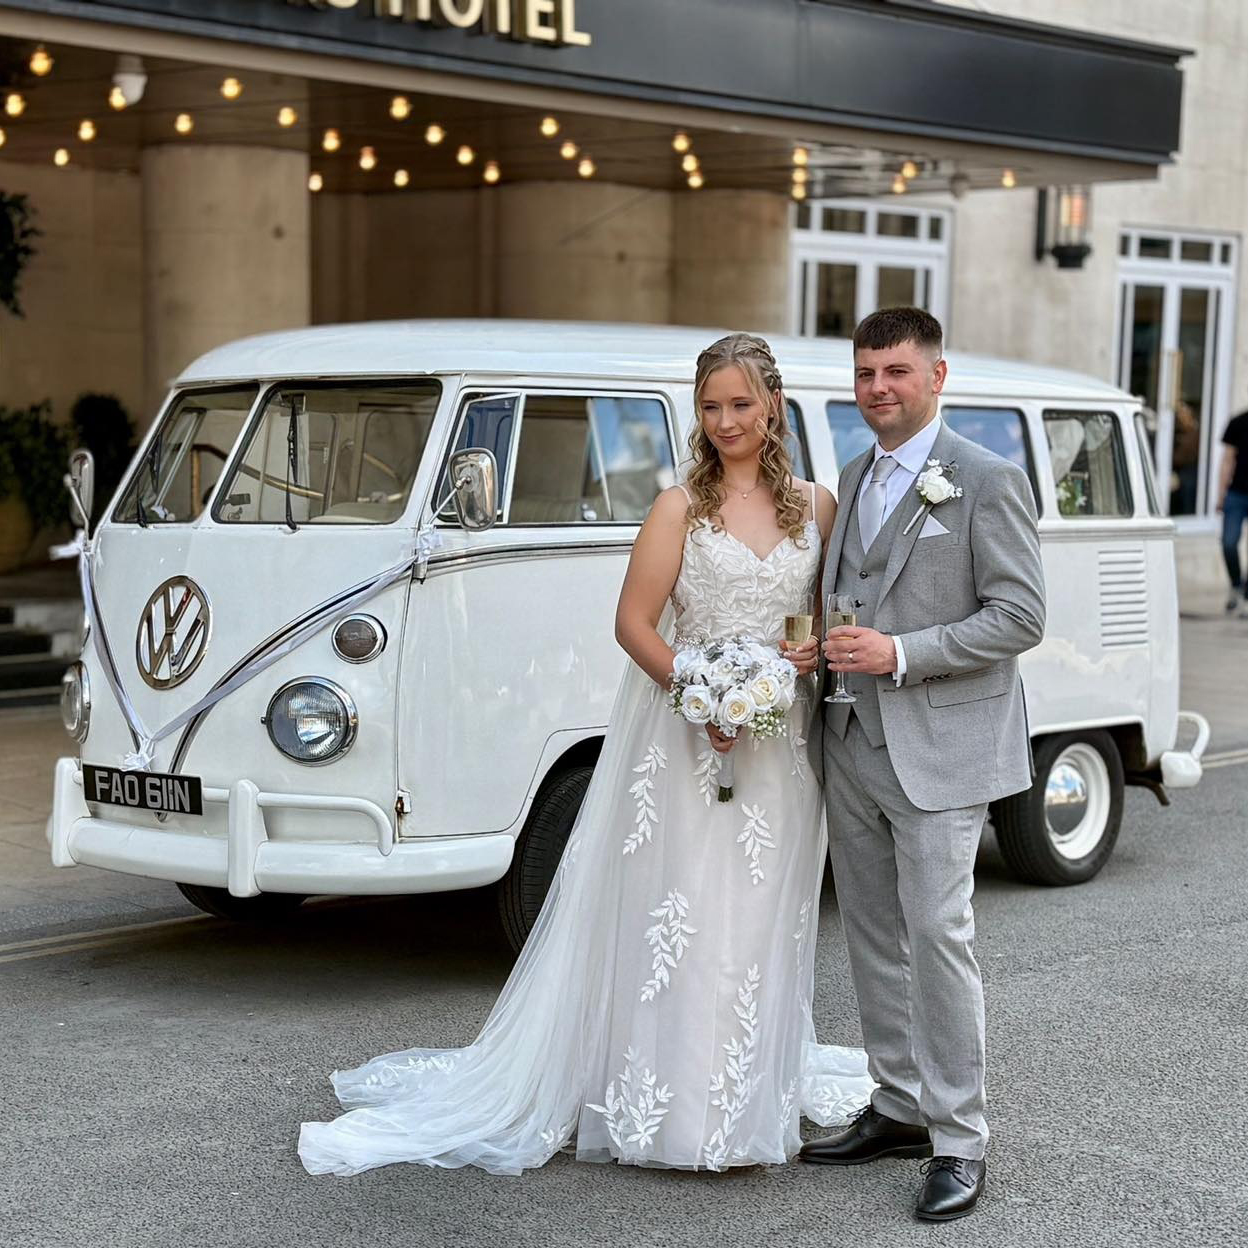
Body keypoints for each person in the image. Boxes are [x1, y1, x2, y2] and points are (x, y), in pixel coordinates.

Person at [298, 333, 873, 1177]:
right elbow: (634, 624)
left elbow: (814, 625)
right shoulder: (679, 507)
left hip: (781, 748)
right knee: (681, 914)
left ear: (773, 407)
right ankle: (670, 1107)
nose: (724, 422)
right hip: (684, 740)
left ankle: (746, 1095)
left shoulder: (817, 509)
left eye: (740, 405)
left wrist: (802, 660)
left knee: (758, 917)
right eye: (710, 406)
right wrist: (703, 694)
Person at [800, 307, 1046, 1222]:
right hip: (851, 744)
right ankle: (899, 1104)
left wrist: (899, 654)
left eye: (897, 372)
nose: (878, 390)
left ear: (937, 376)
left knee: (939, 938)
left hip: (941, 747)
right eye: (866, 374)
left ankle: (960, 1138)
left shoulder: (987, 480)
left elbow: (1019, 617)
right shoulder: (855, 474)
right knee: (869, 934)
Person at [1217, 407, 1248, 615]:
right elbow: (1227, 459)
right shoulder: (1238, 422)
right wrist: (1221, 493)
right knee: (1228, 543)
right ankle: (1236, 584)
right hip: (1236, 494)